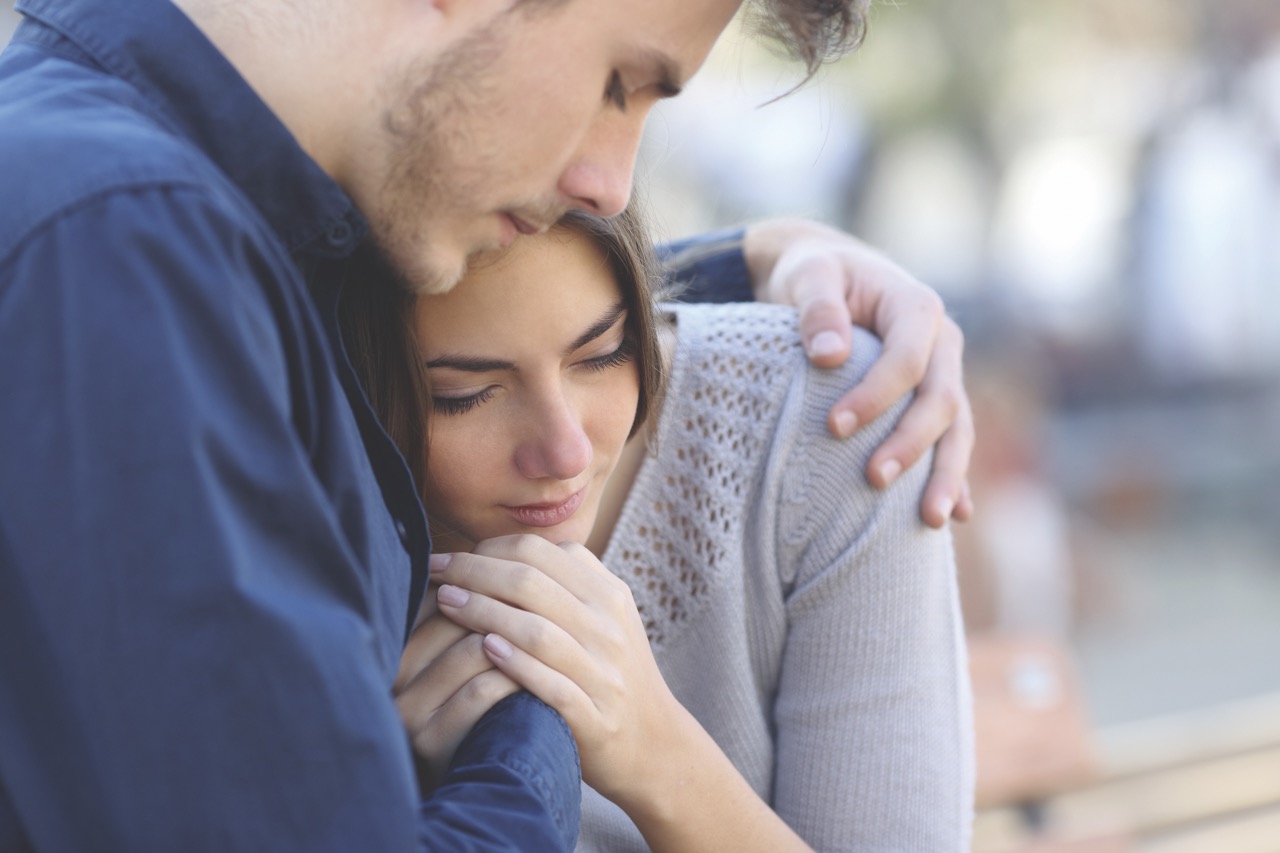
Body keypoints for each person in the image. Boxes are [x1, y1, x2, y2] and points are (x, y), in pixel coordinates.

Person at [0, 0, 971, 849]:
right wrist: (535, 705)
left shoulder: (152, 213)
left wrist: (744, 265)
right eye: (618, 83)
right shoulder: (124, 259)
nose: (611, 184)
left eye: (600, 350)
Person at [358, 205, 973, 850]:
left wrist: (656, 754)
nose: (566, 453)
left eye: (602, 353)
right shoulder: (304, 538)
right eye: (466, 395)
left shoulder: (829, 425)